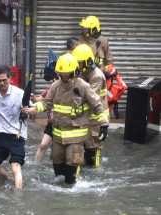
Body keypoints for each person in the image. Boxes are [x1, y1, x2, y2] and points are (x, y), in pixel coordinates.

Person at [22, 53, 109, 185]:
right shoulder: (55, 86)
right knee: (57, 169)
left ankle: (73, 194)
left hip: (76, 136)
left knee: (71, 170)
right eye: (61, 73)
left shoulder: (83, 86)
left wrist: (104, 125)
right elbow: (46, 103)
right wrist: (34, 109)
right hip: (58, 135)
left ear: (74, 71)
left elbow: (97, 105)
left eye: (67, 73)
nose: (64, 76)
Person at [72, 44, 109, 169]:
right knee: (83, 147)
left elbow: (90, 97)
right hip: (86, 117)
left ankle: (95, 175)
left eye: (79, 62)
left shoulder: (96, 76)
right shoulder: (82, 72)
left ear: (87, 62)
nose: (77, 64)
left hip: (96, 118)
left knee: (93, 149)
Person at [30, 86, 53, 162]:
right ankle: (35, 167)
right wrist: (34, 97)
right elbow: (40, 99)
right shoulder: (51, 87)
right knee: (43, 145)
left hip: (65, 126)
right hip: (51, 124)